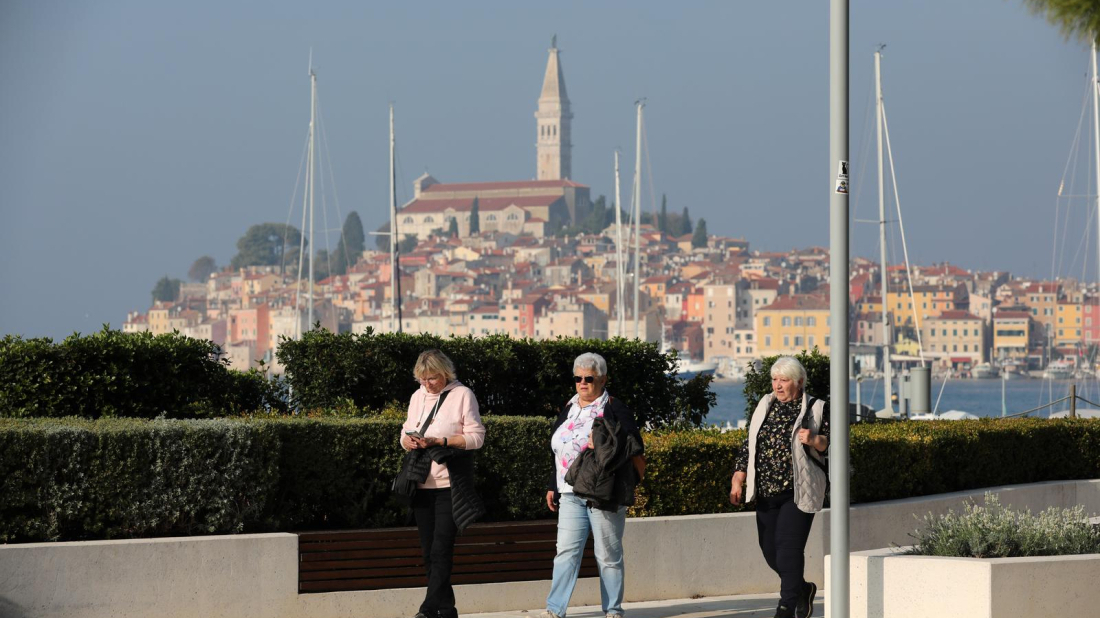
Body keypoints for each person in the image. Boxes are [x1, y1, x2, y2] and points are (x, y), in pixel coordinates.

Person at [541, 352, 645, 618]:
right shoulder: (570, 406)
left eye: (589, 378)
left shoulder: (613, 406)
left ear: (603, 379)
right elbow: (558, 449)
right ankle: (555, 609)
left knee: (608, 554)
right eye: (578, 378)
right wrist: (553, 484)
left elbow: (634, 448)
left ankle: (612, 610)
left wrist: (631, 480)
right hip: (570, 493)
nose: (583, 383)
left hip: (603, 493)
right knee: (565, 552)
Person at [729, 356, 829, 618]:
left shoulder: (817, 408)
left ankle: (785, 608)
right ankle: (803, 589)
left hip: (796, 493)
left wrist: (815, 439)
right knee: (771, 553)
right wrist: (738, 476)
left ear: (799, 382)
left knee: (788, 552)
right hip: (765, 492)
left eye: (783, 380)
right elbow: (750, 442)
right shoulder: (765, 404)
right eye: (774, 379)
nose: (777, 385)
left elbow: (831, 444)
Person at [400, 349, 486, 618]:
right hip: (421, 484)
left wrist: (442, 442)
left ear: (446, 373)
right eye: (423, 379)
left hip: (450, 484)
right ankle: (447, 610)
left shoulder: (463, 395)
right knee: (428, 552)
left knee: (441, 549)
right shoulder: (417, 397)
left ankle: (427, 610)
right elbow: (404, 431)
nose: (428, 384)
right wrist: (409, 441)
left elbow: (476, 437)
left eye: (433, 378)